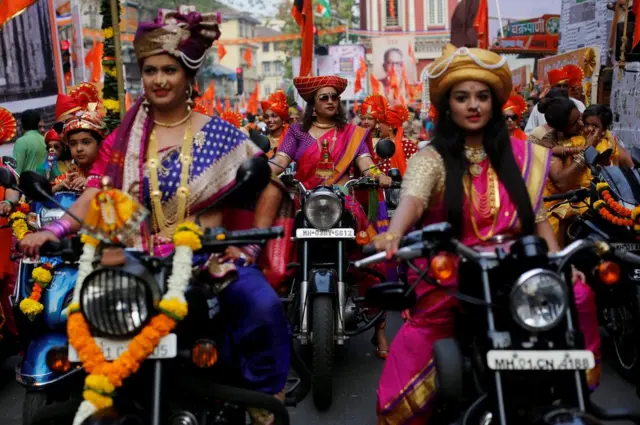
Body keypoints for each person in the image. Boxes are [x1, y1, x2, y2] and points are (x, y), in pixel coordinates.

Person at [19, 8, 291, 423]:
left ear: (188, 77)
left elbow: (270, 184)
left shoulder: (220, 133)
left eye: (169, 69)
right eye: (150, 70)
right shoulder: (122, 137)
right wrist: (53, 230)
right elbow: (95, 196)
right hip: (135, 265)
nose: (159, 79)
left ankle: (258, 396)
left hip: (208, 264)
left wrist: (249, 246)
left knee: (262, 306)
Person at [372, 44, 601, 424]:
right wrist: (394, 233)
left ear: (495, 103)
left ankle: (576, 393)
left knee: (577, 292)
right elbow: (411, 199)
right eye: (462, 98)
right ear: (448, 106)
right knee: (412, 354)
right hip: (456, 271)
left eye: (482, 96)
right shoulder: (430, 158)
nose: (473, 105)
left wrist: (560, 262)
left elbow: (539, 217)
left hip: (520, 272)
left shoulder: (521, 154)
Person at [52, 106, 107, 193]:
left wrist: (92, 185)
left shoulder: (112, 172)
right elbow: (40, 195)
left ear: (100, 144)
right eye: (73, 144)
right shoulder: (71, 176)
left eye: (86, 142)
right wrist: (59, 186)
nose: (79, 149)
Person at [524, 67, 586, 134]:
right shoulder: (538, 107)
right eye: (558, 86)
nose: (562, 89)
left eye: (565, 86)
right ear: (551, 88)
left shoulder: (578, 104)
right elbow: (528, 132)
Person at [374, 104, 419, 175]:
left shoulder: (408, 145)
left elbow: (417, 170)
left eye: (380, 123)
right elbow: (374, 168)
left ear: (390, 127)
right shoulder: (377, 143)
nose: (377, 126)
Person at [13, 109, 47, 174]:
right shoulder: (45, 140)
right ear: (37, 123)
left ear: (22, 124)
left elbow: (16, 171)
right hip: (45, 182)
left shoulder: (21, 142)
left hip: (28, 182)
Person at [260, 91, 290, 158]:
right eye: (266, 117)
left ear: (282, 118)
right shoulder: (262, 141)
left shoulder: (291, 138)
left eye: (274, 116)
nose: (270, 120)